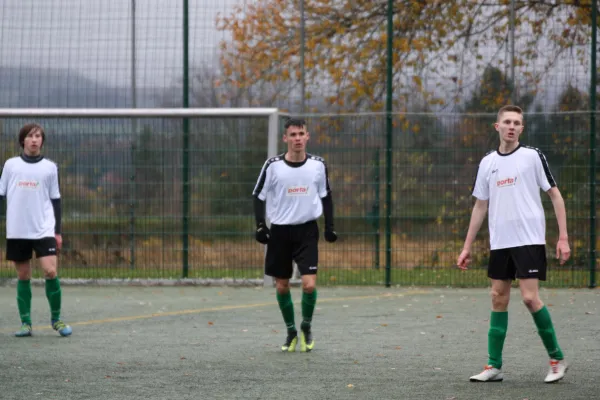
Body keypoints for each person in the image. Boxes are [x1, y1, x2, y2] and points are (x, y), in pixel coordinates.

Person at [457, 105, 570, 383]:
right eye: (506, 121)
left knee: (530, 298)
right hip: (500, 242)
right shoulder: (487, 163)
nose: (511, 126)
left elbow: (556, 196)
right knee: (498, 298)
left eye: (516, 123)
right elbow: (480, 206)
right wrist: (467, 246)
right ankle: (493, 366)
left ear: (521, 128)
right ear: (497, 127)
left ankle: (556, 359)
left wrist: (563, 237)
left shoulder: (532, 157)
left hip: (529, 239)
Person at [252, 118, 337, 352]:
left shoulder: (318, 165)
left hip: (307, 231)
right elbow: (258, 196)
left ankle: (306, 326)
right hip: (280, 232)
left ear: (307, 136)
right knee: (281, 286)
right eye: (293, 135)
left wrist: (330, 226)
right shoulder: (272, 165)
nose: (297, 138)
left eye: (301, 134)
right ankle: (290, 331)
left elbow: (326, 196)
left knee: (309, 285)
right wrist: (261, 225)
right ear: (285, 138)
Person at [0, 123, 72, 337]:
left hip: (44, 229)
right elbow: (1, 195)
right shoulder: (11, 165)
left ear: (42, 140)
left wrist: (57, 232)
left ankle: (56, 320)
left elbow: (56, 200)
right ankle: (26, 323)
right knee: (23, 276)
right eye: (30, 136)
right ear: (23, 140)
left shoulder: (50, 167)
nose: (34, 139)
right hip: (17, 230)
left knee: (50, 271)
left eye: (38, 136)